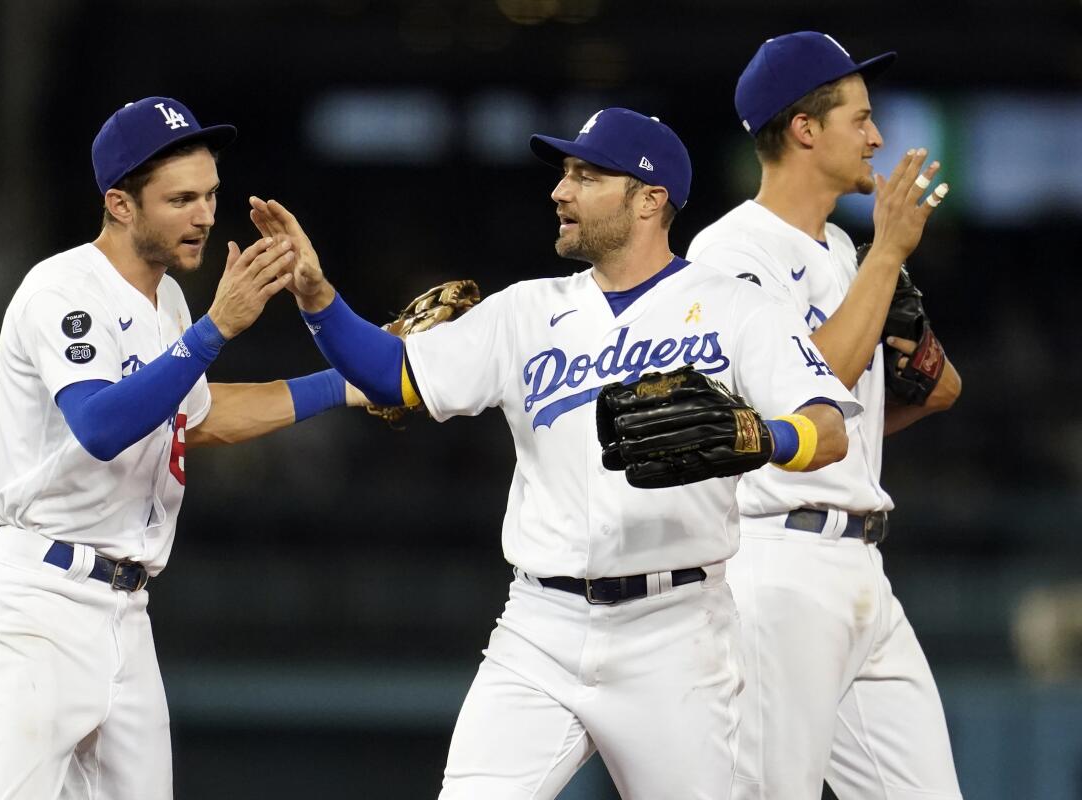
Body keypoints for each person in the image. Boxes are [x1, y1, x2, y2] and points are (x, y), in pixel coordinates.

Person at [250, 108, 862, 799]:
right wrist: (318, 297)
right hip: (540, 626)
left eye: (585, 175)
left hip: (676, 632)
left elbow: (829, 428)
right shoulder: (527, 311)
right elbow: (393, 375)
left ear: (649, 199)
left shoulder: (735, 308)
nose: (559, 192)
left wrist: (764, 437)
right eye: (564, 174)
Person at [0, 96, 361, 799]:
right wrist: (214, 331)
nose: (204, 215)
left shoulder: (167, 301)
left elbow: (200, 417)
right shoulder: (62, 288)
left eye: (209, 195)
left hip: (126, 607)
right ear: (120, 203)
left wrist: (353, 384)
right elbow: (101, 426)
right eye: (180, 199)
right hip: (38, 599)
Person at [686, 31, 964, 799]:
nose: (877, 136)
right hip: (778, 566)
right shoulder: (730, 254)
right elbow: (796, 400)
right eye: (860, 117)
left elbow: (936, 392)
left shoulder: (842, 248)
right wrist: (889, 256)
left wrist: (891, 293)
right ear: (804, 129)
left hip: (861, 562)